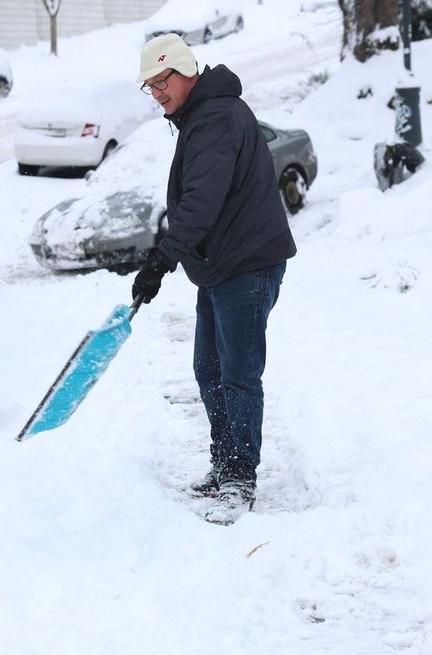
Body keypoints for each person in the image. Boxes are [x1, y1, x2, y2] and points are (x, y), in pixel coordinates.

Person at [131, 33, 296, 522]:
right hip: (222, 266)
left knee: (239, 375)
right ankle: (226, 464)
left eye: (163, 80)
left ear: (186, 72)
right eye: (150, 85)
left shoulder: (216, 119)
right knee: (209, 369)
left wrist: (162, 261)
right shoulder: (203, 115)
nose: (158, 92)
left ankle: (240, 480)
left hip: (247, 266)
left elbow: (202, 201)